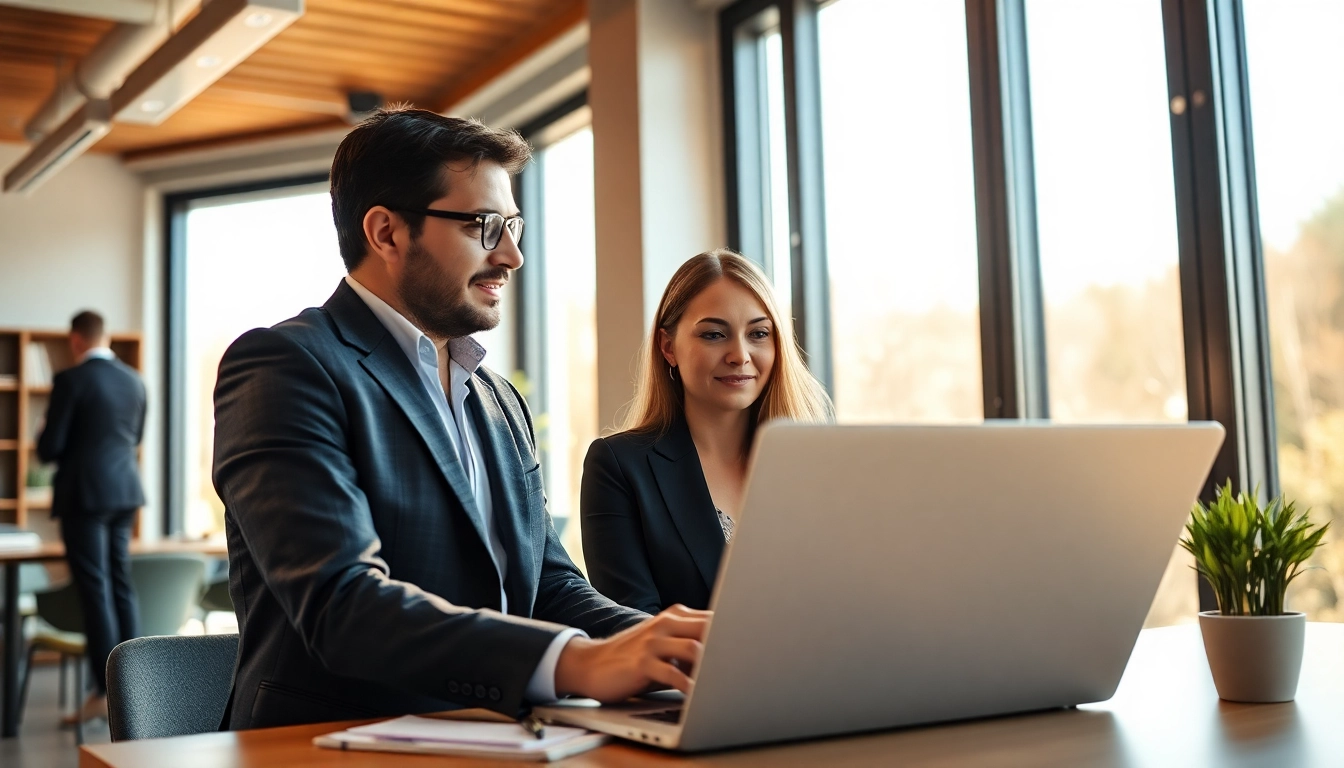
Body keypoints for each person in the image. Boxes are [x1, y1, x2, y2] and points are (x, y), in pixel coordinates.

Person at [212, 108, 709, 731]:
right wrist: (578, 663)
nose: (512, 255)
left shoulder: (499, 398)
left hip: (499, 737)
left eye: (514, 227)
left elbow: (550, 586)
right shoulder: (286, 365)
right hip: (330, 744)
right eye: (484, 226)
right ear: (387, 232)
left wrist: (681, 650)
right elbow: (343, 605)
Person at [580, 250, 831, 614]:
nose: (740, 355)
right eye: (714, 335)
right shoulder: (619, 467)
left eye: (759, 333)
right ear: (669, 348)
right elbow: (635, 631)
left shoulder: (815, 465)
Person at [36, 310, 145, 723]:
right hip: (125, 491)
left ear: (76, 340)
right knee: (120, 582)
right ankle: (138, 688)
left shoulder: (71, 380)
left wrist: (46, 429)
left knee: (95, 588)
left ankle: (105, 692)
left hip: (84, 494)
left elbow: (50, 449)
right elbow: (134, 438)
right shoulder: (134, 380)